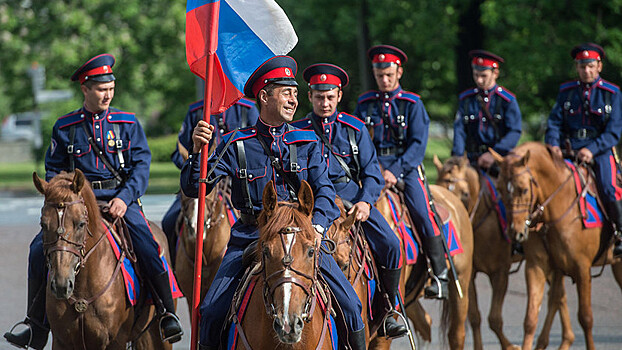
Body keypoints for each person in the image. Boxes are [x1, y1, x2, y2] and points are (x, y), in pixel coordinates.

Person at [181, 56, 367, 350]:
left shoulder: (306, 141)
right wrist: (196, 152)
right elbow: (194, 188)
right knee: (211, 312)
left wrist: (316, 230)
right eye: (286, 92)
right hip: (251, 238)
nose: (294, 100)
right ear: (265, 96)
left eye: (294, 93)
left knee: (351, 306)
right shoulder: (236, 143)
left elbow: (325, 193)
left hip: (305, 237)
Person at [3, 54, 183, 349]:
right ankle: (35, 325)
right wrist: (68, 197)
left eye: (111, 88)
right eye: (101, 89)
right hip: (77, 206)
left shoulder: (127, 123)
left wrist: (124, 199)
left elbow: (141, 165)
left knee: (150, 246)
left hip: (119, 204)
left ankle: (165, 314)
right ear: (85, 89)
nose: (107, 94)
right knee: (38, 250)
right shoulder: (65, 127)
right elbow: (54, 170)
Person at [290, 63, 406, 337]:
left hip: (351, 198)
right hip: (311, 201)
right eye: (319, 97)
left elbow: (372, 173)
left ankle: (390, 307)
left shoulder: (354, 128)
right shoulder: (296, 131)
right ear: (310, 97)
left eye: (330, 97)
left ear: (339, 96)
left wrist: (366, 201)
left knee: (390, 244)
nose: (325, 103)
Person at [353, 44, 448, 299]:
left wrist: (394, 170)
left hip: (405, 169)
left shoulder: (412, 104)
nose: (384, 80)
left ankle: (440, 275)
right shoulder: (365, 104)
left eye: (389, 75)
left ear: (399, 72)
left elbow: (418, 145)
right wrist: (374, 169)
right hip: (372, 169)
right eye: (379, 75)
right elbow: (357, 142)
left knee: (422, 212)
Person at [545, 42, 622, 257]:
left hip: (600, 152)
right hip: (568, 151)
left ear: (599, 66)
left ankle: (620, 231)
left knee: (608, 187)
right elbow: (554, 123)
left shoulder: (612, 93)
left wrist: (592, 149)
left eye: (590, 66)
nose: (586, 71)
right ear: (576, 68)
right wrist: (552, 144)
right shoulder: (566, 92)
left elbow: (613, 132)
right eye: (581, 66)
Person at [160, 97, 258, 263]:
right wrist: (194, 162)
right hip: (201, 182)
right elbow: (179, 153)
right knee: (169, 222)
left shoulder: (246, 110)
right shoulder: (196, 111)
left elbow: (257, 151)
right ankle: (173, 273)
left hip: (236, 184)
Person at [451, 50, 522, 176]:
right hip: (471, 161)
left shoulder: (507, 100)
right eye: (476, 75)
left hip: (499, 161)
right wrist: (459, 156)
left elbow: (515, 131)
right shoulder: (466, 99)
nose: (479, 80)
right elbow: (459, 130)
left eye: (483, 76)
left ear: (495, 73)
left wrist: (494, 154)